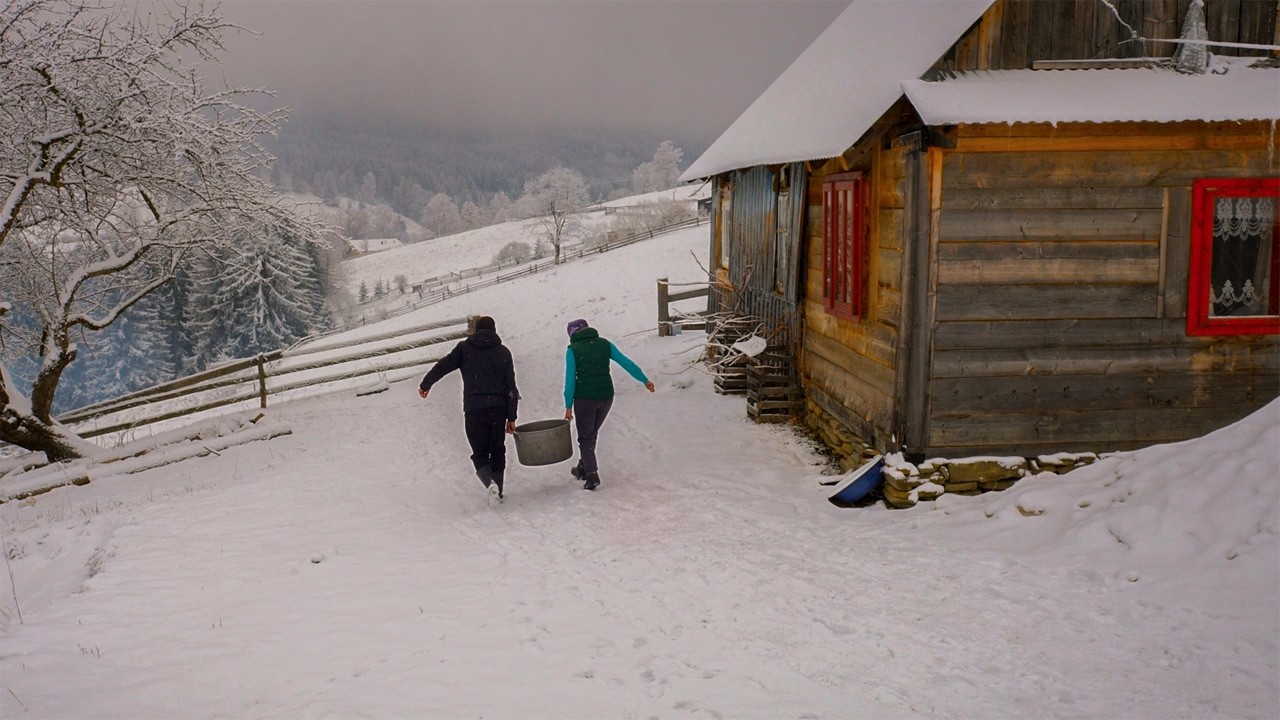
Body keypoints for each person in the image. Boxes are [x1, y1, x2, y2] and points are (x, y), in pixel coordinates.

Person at [418, 315, 519, 501]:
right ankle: (499, 489)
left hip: (474, 409)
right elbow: (511, 388)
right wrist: (512, 417)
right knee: (497, 449)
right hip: (498, 409)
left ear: (475, 331)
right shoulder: (503, 352)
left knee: (479, 453)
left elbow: (444, 365)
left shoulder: (465, 349)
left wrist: (426, 383)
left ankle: (490, 484)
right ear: (494, 330)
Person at [563, 318, 655, 491]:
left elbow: (570, 382)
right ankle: (583, 467)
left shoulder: (573, 350)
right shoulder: (604, 344)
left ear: (572, 335)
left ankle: (591, 475)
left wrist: (568, 406)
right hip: (606, 397)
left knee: (585, 436)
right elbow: (626, 362)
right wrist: (645, 380)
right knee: (591, 433)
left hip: (585, 399)